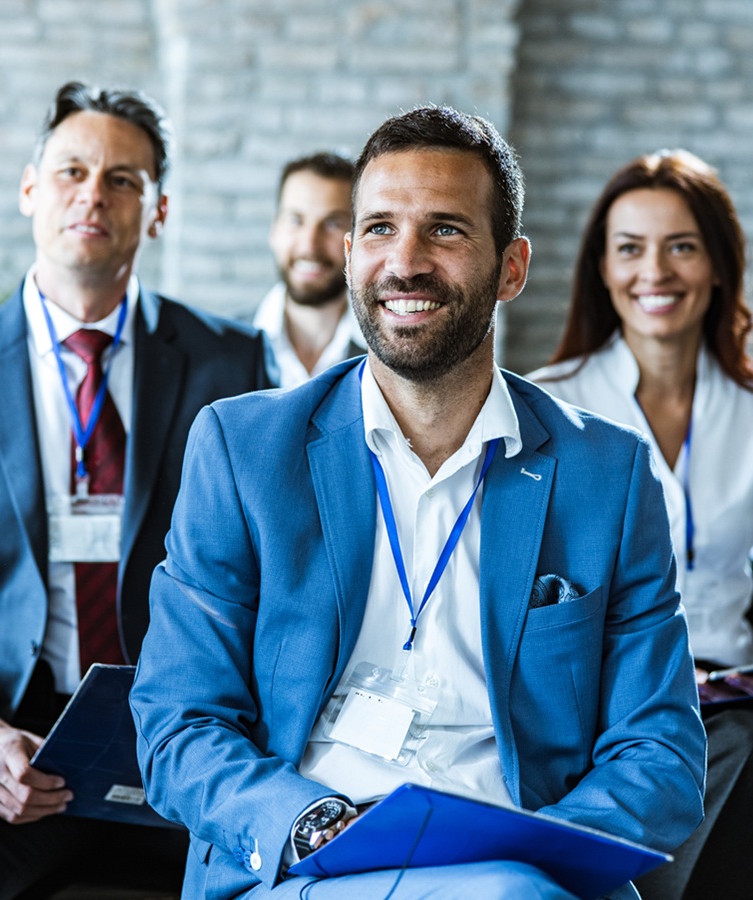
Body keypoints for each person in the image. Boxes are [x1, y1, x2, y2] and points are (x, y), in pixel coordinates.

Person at [131, 106, 706, 900]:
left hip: (522, 870)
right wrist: (310, 825)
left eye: (444, 230)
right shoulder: (244, 450)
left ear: (511, 268)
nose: (404, 262)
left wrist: (535, 852)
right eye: (378, 229)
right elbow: (179, 722)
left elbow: (661, 750)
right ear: (348, 255)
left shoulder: (607, 474)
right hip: (307, 863)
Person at [0, 82, 275, 899]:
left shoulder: (230, 364)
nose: (93, 194)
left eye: (123, 179)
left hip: (178, 725)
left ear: (158, 211)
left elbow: (266, 570)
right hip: (6, 725)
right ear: (30, 188)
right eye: (71, 171)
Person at [528, 149, 753, 899]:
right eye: (630, 249)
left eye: (681, 246)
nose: (654, 271)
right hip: (591, 698)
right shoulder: (543, 406)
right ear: (602, 268)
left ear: (717, 264)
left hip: (731, 704)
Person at [255, 151, 365, 386]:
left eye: (333, 223)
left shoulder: (387, 351)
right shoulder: (223, 348)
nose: (310, 245)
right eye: (296, 220)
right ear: (274, 230)